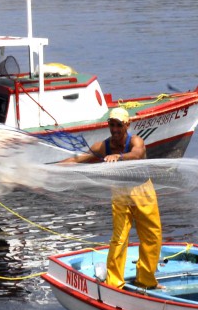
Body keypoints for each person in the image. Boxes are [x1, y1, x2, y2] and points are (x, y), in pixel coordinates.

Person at [61, 107, 163, 290]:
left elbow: (137, 154)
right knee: (119, 237)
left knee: (151, 236)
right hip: (120, 192)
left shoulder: (135, 141)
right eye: (111, 125)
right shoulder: (103, 146)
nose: (115, 129)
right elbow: (77, 159)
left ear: (127, 125)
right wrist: (50, 169)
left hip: (142, 191)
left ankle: (147, 281)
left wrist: (119, 156)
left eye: (118, 125)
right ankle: (114, 283)